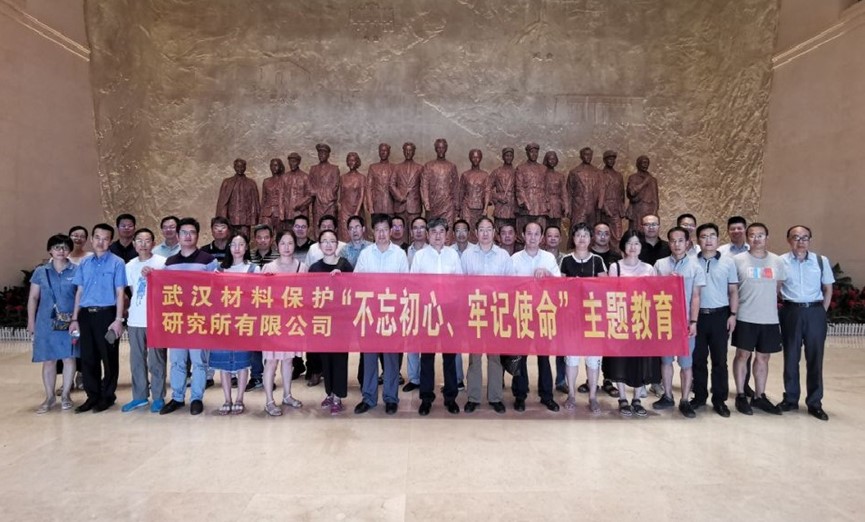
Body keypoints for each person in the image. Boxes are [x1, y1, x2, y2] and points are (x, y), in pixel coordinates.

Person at [159, 218, 218, 416]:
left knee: (199, 361)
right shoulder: (170, 262)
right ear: (177, 236)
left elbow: (217, 289)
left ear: (197, 236)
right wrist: (150, 274)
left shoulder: (208, 260)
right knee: (177, 360)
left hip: (199, 320)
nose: (188, 236)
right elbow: (163, 288)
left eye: (192, 232)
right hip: (177, 319)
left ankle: (196, 398)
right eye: (184, 232)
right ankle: (177, 397)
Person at [353, 214, 409, 415]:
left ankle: (391, 398)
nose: (382, 234)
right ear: (373, 232)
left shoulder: (399, 255)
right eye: (378, 230)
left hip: (391, 313)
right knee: (369, 357)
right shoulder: (366, 254)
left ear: (391, 231)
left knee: (391, 358)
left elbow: (406, 284)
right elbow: (356, 281)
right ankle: (368, 397)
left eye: (385, 229)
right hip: (370, 313)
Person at [69, 223, 127, 413]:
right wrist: (74, 319)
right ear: (92, 239)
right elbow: (79, 291)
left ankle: (107, 396)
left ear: (110, 241)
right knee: (88, 358)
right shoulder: (84, 263)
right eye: (97, 238)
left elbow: (120, 293)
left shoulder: (117, 262)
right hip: (86, 315)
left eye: (105, 239)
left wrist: (118, 320)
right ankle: (92, 396)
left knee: (109, 358)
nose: (101, 242)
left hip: (107, 315)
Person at [778, 226, 833, 421]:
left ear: (810, 240)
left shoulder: (821, 261)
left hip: (815, 312)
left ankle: (815, 402)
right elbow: (776, 287)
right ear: (788, 240)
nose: (800, 241)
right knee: (791, 357)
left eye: (804, 238)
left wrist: (821, 312)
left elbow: (828, 289)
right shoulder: (781, 261)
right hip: (791, 311)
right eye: (796, 237)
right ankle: (791, 398)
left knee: (815, 357)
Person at [410, 217, 464, 416]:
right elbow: (413, 284)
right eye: (433, 232)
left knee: (450, 356)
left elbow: (460, 282)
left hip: (449, 312)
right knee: (427, 357)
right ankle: (426, 398)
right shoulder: (420, 256)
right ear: (427, 235)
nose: (438, 235)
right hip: (428, 312)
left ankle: (450, 397)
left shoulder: (453, 255)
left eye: (441, 231)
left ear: (446, 234)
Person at [731, 223, 786, 416]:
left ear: (767, 238)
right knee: (742, 355)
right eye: (752, 235)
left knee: (763, 357)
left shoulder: (777, 261)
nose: (756, 239)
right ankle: (740, 394)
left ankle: (759, 396)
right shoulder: (737, 260)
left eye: (760, 235)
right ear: (747, 238)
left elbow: (778, 287)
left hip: (769, 318)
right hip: (745, 316)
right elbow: (733, 289)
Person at [461, 217, 514, 414]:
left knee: (495, 357)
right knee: (474, 358)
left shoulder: (503, 256)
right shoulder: (467, 255)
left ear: (494, 233)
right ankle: (473, 397)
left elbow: (510, 285)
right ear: (476, 233)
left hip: (496, 311)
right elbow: (460, 284)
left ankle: (495, 397)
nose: (485, 233)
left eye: (488, 229)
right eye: (481, 229)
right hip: (475, 311)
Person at [605, 231, 659, 417]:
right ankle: (622, 398)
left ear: (641, 247)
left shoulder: (649, 269)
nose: (633, 247)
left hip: (641, 318)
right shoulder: (615, 267)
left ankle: (637, 398)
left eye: (637, 243)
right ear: (623, 246)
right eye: (629, 243)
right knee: (620, 359)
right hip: (621, 318)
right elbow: (611, 293)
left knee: (640, 359)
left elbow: (654, 294)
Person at [652, 227, 705, 418]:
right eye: (673, 241)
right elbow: (651, 291)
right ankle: (667, 396)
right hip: (665, 320)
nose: (677, 244)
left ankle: (684, 400)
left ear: (688, 243)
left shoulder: (695, 266)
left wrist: (694, 321)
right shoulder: (660, 265)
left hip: (685, 323)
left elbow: (696, 297)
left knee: (686, 363)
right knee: (666, 361)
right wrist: (666, 282)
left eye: (681, 240)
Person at [510, 221, 561, 412]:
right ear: (523, 235)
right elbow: (507, 286)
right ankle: (520, 395)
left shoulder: (548, 258)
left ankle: (546, 395)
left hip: (543, 313)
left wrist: (547, 274)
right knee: (520, 357)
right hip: (521, 312)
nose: (532, 237)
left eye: (536, 234)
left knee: (544, 356)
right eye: (529, 233)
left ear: (541, 237)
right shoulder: (514, 259)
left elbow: (559, 284)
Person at [559, 223, 607, 413]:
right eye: (578, 235)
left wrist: (588, 285)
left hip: (593, 316)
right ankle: (571, 394)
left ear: (590, 239)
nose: (581, 238)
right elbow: (560, 287)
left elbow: (605, 286)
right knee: (571, 357)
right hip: (571, 316)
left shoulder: (597, 260)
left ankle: (593, 396)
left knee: (593, 358)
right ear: (573, 238)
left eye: (585, 235)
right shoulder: (566, 260)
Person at [27, 234, 78, 413]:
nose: (61, 251)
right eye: (57, 247)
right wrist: (31, 322)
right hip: (46, 322)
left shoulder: (76, 270)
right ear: (50, 250)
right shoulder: (41, 272)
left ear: (69, 250)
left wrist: (76, 319)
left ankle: (66, 394)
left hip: (69, 322)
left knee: (68, 357)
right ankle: (49, 396)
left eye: (65, 247)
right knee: (49, 360)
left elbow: (79, 297)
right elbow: (33, 298)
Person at [692, 223, 739, 417]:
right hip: (697, 317)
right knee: (698, 359)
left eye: (712, 236)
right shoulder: (691, 261)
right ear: (698, 240)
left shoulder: (728, 262)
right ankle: (699, 396)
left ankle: (719, 400)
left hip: (720, 316)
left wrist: (733, 314)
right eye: (704, 236)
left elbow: (733, 291)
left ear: (718, 239)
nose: (708, 240)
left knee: (720, 360)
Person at [260, 230, 308, 416]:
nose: (287, 247)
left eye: (290, 243)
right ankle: (269, 401)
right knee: (271, 361)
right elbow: (260, 296)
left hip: (292, 321)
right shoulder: (269, 267)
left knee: (288, 360)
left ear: (295, 245)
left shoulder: (302, 267)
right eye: (283, 243)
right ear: (277, 245)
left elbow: (307, 295)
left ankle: (287, 395)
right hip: (273, 321)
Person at [210, 231, 258, 415]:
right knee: (224, 363)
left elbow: (258, 296)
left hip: (244, 322)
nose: (237, 248)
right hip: (224, 322)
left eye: (241, 244)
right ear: (229, 248)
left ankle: (239, 398)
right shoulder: (220, 269)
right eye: (233, 245)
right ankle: (227, 399)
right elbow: (213, 297)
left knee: (242, 362)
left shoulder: (253, 269)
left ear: (246, 248)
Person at [308, 229, 354, 415]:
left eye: (332, 241)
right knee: (325, 359)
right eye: (325, 241)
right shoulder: (314, 268)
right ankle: (329, 392)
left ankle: (338, 397)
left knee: (339, 359)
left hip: (341, 322)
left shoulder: (345, 265)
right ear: (319, 246)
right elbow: (309, 295)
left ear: (337, 245)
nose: (328, 244)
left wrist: (342, 280)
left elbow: (354, 291)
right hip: (322, 321)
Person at [122, 228, 167, 413]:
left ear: (153, 243)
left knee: (157, 360)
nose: (143, 244)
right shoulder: (129, 265)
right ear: (134, 244)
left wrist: (154, 276)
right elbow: (132, 292)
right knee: (137, 360)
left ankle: (158, 397)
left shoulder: (162, 262)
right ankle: (139, 397)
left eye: (147, 240)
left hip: (156, 319)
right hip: (136, 318)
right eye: (139, 241)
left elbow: (168, 289)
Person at [590, 221, 623, 398]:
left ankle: (608, 380)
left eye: (606, 233)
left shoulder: (616, 256)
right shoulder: (587, 254)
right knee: (591, 346)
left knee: (609, 346)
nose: (603, 237)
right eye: (599, 233)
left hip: (610, 306)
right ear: (593, 235)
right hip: (590, 306)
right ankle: (590, 380)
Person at [246, 223, 278, 391]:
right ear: (255, 239)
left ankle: (269, 377)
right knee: (254, 344)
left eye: (266, 237)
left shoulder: (278, 256)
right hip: (252, 305)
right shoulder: (248, 255)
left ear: (271, 239)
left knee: (270, 344)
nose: (263, 241)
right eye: (259, 237)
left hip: (273, 306)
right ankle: (256, 376)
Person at [215, 157, 260, 237]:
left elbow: (255, 202)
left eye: (242, 166)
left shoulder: (251, 183)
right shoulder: (227, 182)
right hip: (231, 218)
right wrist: (222, 218)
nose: (240, 169)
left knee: (245, 239)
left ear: (245, 167)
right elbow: (222, 202)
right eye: (238, 166)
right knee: (230, 240)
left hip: (245, 219)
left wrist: (255, 218)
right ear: (234, 167)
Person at [421, 138, 459, 225]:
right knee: (433, 228)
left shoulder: (451, 166)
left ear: (446, 149)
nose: (441, 150)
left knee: (448, 228)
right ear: (435, 149)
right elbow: (424, 186)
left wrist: (457, 206)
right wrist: (426, 204)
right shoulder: (429, 166)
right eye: (438, 148)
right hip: (433, 204)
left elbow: (456, 187)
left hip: (448, 205)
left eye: (443, 148)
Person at [515, 143, 548, 234]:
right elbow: (519, 187)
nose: (534, 154)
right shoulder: (521, 168)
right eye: (531, 152)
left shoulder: (543, 169)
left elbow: (546, 187)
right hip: (526, 205)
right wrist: (525, 202)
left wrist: (547, 203)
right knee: (524, 231)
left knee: (540, 230)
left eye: (536, 152)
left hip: (540, 205)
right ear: (527, 153)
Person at [308, 144, 340, 237]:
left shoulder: (334, 169)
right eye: (319, 153)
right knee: (317, 227)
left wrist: (319, 193)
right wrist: (316, 193)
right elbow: (310, 186)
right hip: (317, 204)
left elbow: (335, 186)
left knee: (331, 226)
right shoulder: (313, 169)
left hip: (329, 203)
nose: (321, 155)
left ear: (328, 155)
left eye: (323, 153)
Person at [566, 147, 603, 227]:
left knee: (593, 229)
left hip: (593, 207)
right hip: (578, 207)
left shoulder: (598, 172)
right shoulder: (574, 172)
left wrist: (600, 205)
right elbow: (569, 192)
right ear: (581, 156)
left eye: (590, 155)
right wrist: (568, 208)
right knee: (577, 229)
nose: (588, 157)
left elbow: (601, 189)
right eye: (586, 155)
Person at [457, 149, 490, 231]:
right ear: (470, 158)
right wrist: (459, 209)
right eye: (473, 157)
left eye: (477, 157)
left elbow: (487, 192)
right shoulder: (465, 175)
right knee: (466, 228)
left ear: (480, 158)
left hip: (480, 208)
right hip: (467, 207)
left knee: (479, 229)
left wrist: (485, 208)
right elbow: (461, 192)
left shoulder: (485, 175)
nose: (475, 159)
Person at [393, 142, 424, 231]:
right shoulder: (397, 167)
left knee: (415, 232)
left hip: (414, 206)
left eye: (410, 150)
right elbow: (391, 184)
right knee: (400, 232)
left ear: (414, 152)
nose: (408, 152)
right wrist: (399, 197)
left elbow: (423, 186)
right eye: (406, 150)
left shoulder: (420, 168)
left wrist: (425, 202)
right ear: (403, 151)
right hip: (400, 206)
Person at [337, 152, 366, 242]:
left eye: (353, 160)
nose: (351, 162)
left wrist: (357, 211)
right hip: (344, 210)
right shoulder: (342, 177)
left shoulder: (361, 177)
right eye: (349, 160)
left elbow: (361, 195)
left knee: (357, 234)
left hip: (356, 209)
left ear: (357, 162)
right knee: (345, 235)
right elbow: (341, 195)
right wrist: (340, 209)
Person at [598, 150, 625, 246]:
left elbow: (622, 193)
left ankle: (616, 252)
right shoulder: (600, 174)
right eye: (609, 159)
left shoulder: (618, 175)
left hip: (616, 208)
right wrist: (605, 208)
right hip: (605, 208)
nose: (611, 161)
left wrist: (622, 208)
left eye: (613, 159)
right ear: (604, 160)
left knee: (617, 235)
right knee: (604, 234)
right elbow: (599, 193)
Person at [625, 155, 659, 231]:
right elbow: (632, 192)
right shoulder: (633, 178)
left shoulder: (652, 180)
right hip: (637, 208)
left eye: (647, 163)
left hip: (650, 209)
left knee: (648, 232)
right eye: (643, 163)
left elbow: (655, 199)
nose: (645, 165)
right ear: (638, 164)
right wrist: (644, 183)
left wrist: (655, 212)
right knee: (636, 231)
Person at [366, 143, 398, 215]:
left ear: (389, 152)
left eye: (385, 150)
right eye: (381, 150)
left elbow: (398, 186)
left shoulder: (395, 167)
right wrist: (370, 205)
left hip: (391, 204)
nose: (383, 152)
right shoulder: (373, 167)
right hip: (376, 205)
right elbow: (369, 188)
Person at [490, 147, 517, 231]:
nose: (509, 157)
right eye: (506, 155)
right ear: (503, 157)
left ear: (513, 157)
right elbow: (487, 188)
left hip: (513, 208)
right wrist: (498, 197)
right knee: (499, 231)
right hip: (501, 208)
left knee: (512, 232)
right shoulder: (497, 172)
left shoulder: (517, 172)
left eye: (510, 155)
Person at [261, 158, 289, 233]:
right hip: (267, 213)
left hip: (280, 212)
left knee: (280, 235)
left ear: (280, 166)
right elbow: (263, 199)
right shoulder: (266, 181)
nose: (274, 167)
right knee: (265, 232)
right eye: (272, 165)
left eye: (276, 165)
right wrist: (261, 215)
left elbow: (287, 198)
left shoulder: (285, 180)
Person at [284, 152, 313, 221]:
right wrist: (282, 212)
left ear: (299, 162)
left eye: (294, 161)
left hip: (302, 212)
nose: (292, 164)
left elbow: (310, 195)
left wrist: (299, 205)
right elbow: (282, 195)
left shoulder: (305, 177)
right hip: (288, 212)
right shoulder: (285, 177)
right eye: (290, 161)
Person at [544, 151, 567, 229]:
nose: (552, 161)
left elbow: (564, 192)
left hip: (557, 204)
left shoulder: (560, 176)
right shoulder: (543, 175)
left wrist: (565, 206)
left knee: (557, 226)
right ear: (546, 160)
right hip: (546, 204)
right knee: (546, 226)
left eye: (554, 159)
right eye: (550, 159)